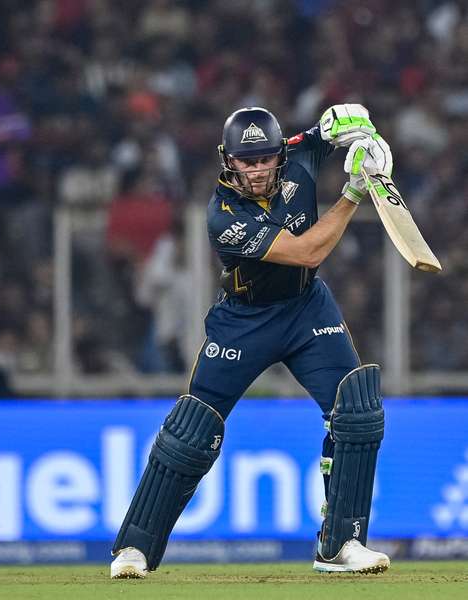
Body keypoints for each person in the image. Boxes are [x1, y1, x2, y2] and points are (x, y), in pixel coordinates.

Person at [110, 104, 394, 578]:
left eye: (265, 158)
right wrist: (354, 192)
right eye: (247, 160)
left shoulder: (296, 157)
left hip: (307, 310)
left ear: (279, 153)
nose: (258, 169)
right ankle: (134, 549)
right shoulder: (223, 216)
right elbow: (309, 250)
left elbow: (337, 124)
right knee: (192, 431)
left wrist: (364, 135)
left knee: (358, 409)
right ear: (229, 160)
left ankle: (342, 542)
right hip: (244, 320)